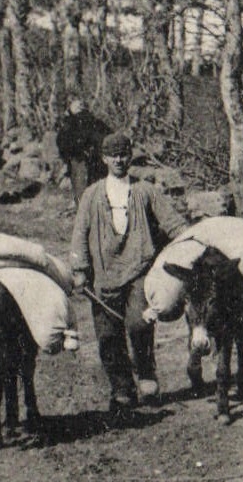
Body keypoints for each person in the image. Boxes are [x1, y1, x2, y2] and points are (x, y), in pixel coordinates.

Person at [70, 130, 186, 417]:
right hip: (103, 275)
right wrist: (80, 270)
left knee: (138, 324)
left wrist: (189, 241)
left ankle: (146, 375)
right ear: (104, 158)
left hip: (139, 270)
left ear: (130, 156)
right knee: (108, 336)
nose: (119, 160)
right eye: (113, 156)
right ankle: (121, 389)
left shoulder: (145, 190)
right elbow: (79, 235)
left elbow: (172, 223)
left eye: (123, 154)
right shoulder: (91, 195)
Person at [55, 94, 108, 206]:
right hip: (93, 161)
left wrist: (67, 158)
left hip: (82, 162)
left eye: (80, 104)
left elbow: (61, 144)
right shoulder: (95, 122)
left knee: (83, 195)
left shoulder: (69, 123)